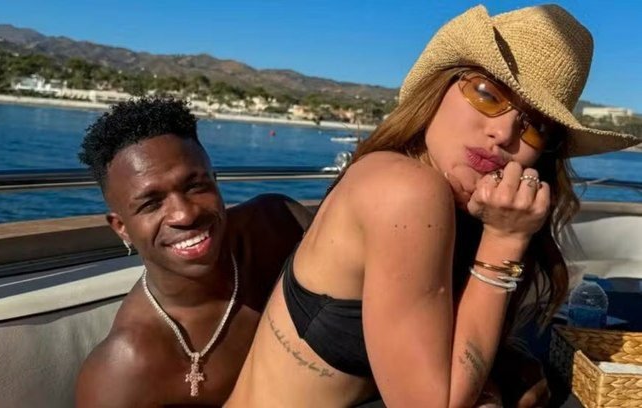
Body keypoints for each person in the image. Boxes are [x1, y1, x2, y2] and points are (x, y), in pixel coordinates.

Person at [226, 5, 639, 407]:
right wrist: (504, 239)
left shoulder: (451, 202)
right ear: (441, 87)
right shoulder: (406, 190)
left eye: (536, 125)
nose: (503, 132)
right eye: (487, 94)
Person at [75, 97, 312, 407]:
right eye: (151, 204)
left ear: (215, 181)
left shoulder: (279, 225)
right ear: (122, 228)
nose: (184, 215)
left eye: (195, 186)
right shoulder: (124, 369)